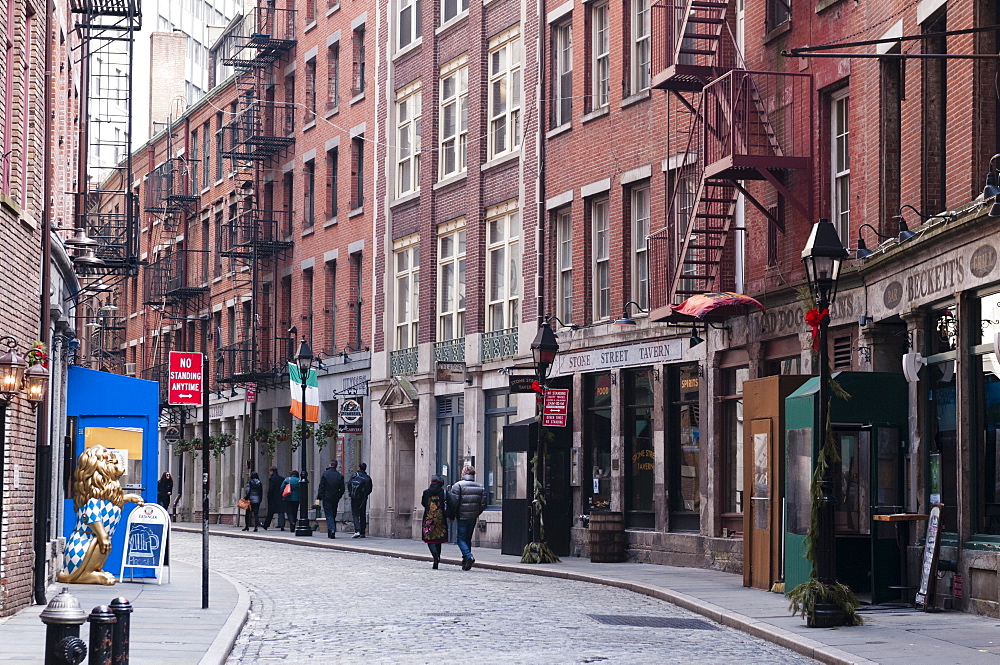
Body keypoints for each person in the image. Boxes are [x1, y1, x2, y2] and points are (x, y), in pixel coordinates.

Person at [449, 464, 488, 570]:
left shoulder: (458, 486)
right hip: (473, 517)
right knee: (468, 539)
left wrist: (453, 515)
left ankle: (468, 556)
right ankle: (465, 562)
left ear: (465, 473)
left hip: (462, 516)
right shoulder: (480, 487)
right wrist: (476, 513)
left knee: (460, 539)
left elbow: (453, 503)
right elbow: (483, 504)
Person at [421, 475, 449, 569]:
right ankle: (438, 557)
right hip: (440, 519)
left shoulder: (426, 492)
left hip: (429, 518)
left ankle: (435, 556)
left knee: (429, 539)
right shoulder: (444, 492)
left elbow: (424, 503)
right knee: (438, 539)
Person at [316, 460, 345, 538]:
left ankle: (332, 530)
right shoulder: (339, 476)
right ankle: (331, 529)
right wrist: (339, 496)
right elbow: (342, 489)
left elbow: (321, 487)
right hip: (335, 497)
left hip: (327, 497)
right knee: (333, 513)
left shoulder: (325, 474)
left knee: (329, 514)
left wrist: (319, 497)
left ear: (330, 465)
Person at [347, 463, 373, 538]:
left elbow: (349, 485)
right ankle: (362, 532)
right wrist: (365, 495)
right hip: (363, 498)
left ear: (359, 468)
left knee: (355, 514)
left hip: (354, 497)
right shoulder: (368, 478)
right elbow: (370, 489)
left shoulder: (354, 476)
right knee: (362, 514)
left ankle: (357, 530)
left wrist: (351, 494)